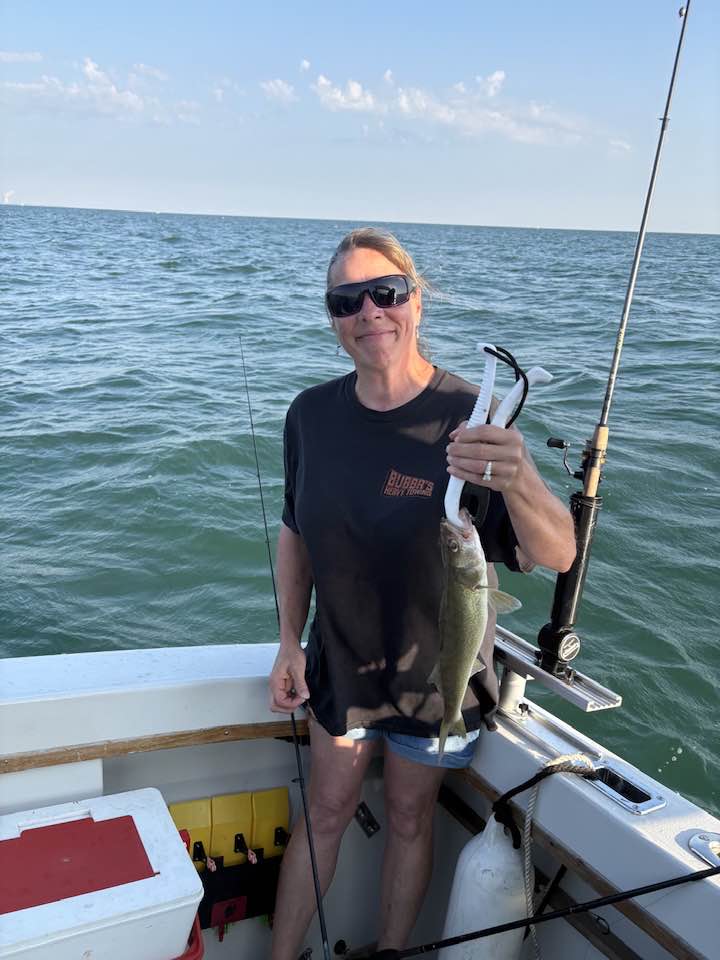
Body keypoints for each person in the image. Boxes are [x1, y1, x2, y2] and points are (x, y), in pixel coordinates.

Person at [268, 228, 576, 958]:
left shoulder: (474, 416)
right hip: (340, 663)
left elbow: (557, 551)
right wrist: (288, 641)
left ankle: (391, 951)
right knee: (325, 811)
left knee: (411, 818)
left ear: (417, 300)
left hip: (441, 674)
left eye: (387, 292)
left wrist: (520, 477)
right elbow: (295, 533)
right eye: (347, 301)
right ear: (332, 318)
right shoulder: (309, 415)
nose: (369, 312)